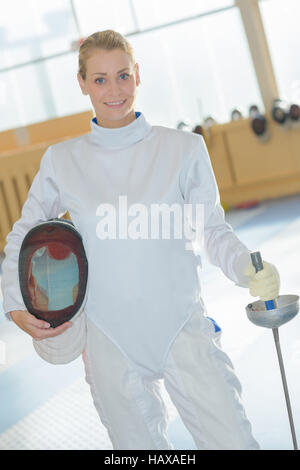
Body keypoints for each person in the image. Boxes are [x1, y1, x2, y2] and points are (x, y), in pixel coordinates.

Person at [1, 30, 280, 450]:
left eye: (123, 75)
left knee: (235, 443)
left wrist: (248, 268)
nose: (114, 90)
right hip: (110, 338)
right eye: (99, 79)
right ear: (81, 83)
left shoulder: (184, 149)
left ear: (138, 75)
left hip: (182, 325)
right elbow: (23, 234)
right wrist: (14, 304)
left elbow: (213, 231)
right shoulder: (63, 160)